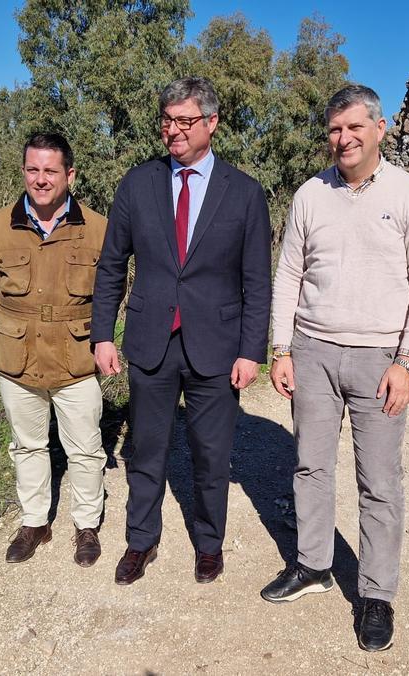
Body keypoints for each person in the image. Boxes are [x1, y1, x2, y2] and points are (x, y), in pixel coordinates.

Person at [259, 84, 409, 652]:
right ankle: (313, 565)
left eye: (354, 128)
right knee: (310, 466)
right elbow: (289, 273)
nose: (343, 139)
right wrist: (281, 348)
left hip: (379, 359)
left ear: (379, 128)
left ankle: (376, 594)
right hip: (312, 352)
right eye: (335, 130)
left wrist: (406, 360)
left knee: (380, 482)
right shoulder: (310, 195)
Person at [91, 76, 272, 586]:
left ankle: (209, 544)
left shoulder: (244, 193)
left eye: (185, 121)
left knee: (211, 455)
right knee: (146, 449)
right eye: (167, 120)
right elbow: (111, 266)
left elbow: (257, 280)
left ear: (211, 123)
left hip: (216, 345)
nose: (173, 130)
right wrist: (103, 334)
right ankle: (140, 541)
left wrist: (250, 350)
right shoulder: (138, 183)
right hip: (151, 340)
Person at [0, 132, 108, 568]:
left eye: (50, 170)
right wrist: (14, 324)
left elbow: (111, 288)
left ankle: (86, 525)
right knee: (27, 445)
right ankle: (34, 522)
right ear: (24, 171)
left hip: (77, 358)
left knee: (86, 449)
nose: (41, 179)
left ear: (70, 175)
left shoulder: (98, 228)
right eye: (33, 169)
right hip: (17, 358)